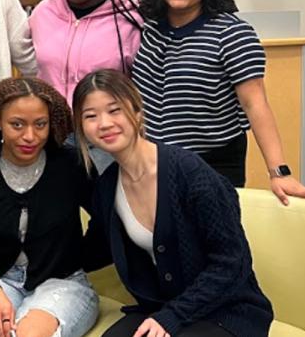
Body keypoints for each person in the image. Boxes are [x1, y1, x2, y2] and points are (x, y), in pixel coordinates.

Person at [72, 69, 274, 337]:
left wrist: (172, 316)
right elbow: (95, 250)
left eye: (115, 110)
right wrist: (30, 260)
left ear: (138, 111)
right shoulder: (107, 186)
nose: (104, 123)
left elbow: (232, 262)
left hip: (226, 308)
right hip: (163, 306)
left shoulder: (190, 173)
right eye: (90, 116)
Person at [133, 0, 305, 205]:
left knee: (210, 239)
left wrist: (279, 171)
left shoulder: (232, 33)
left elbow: (255, 103)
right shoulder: (150, 27)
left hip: (212, 161)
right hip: (152, 158)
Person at [0, 78, 100, 337]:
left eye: (40, 124)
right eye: (17, 124)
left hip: (62, 283)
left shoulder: (70, 166)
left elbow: (104, 218)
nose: (30, 136)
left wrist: (78, 257)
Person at [28, 0, 142, 173]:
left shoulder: (130, 17)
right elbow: (26, 58)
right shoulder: (43, 12)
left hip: (105, 136)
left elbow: (143, 80)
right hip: (53, 133)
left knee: (105, 204)